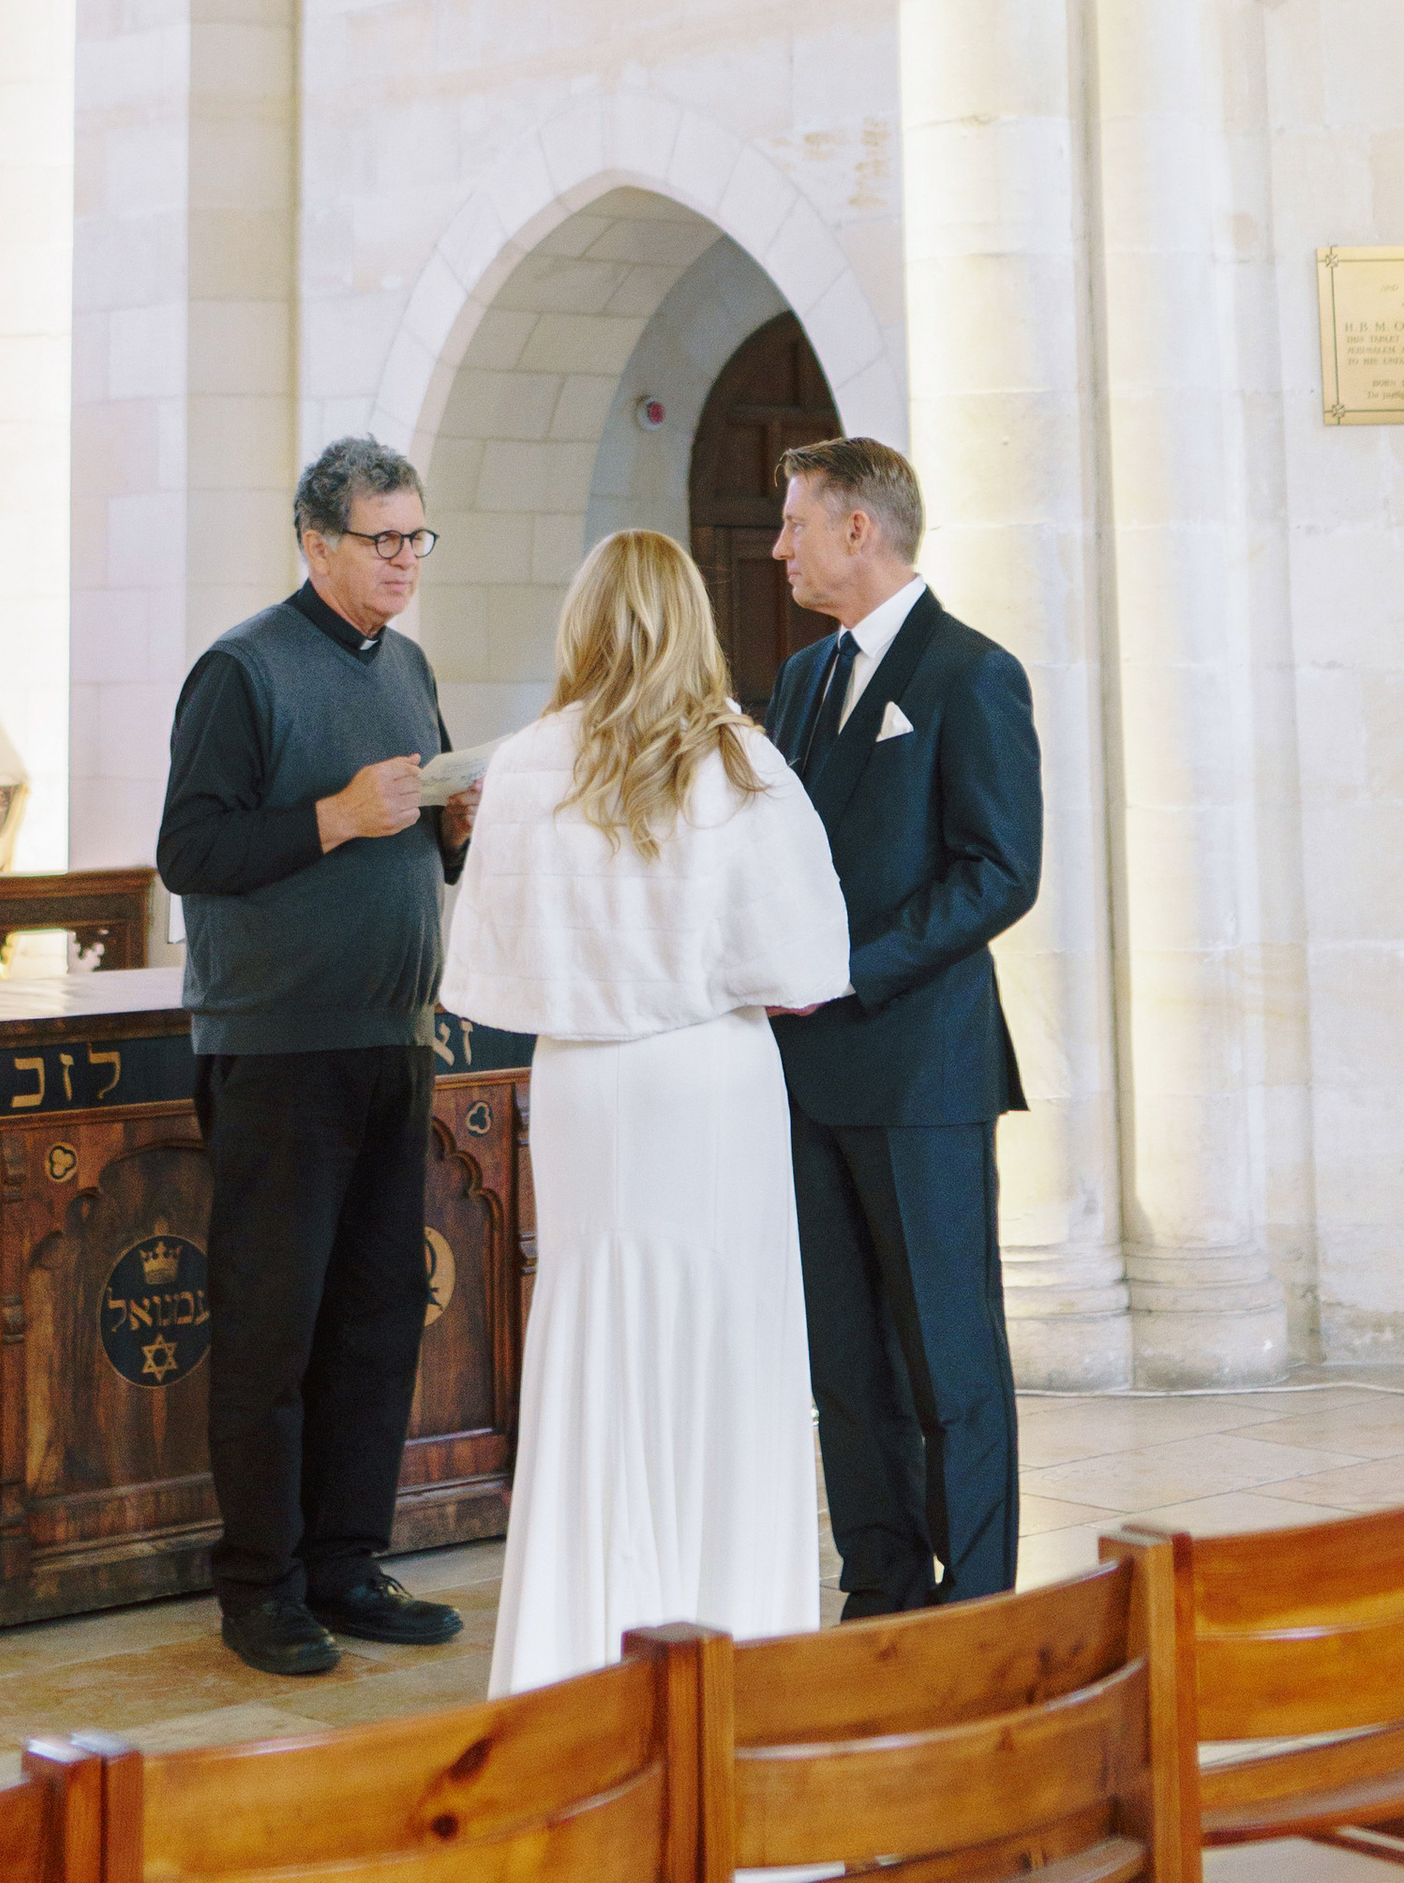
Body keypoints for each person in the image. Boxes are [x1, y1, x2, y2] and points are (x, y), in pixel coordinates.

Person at [442, 527, 849, 1695]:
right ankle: (738, 1658)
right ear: (691, 624)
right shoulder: (746, 767)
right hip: (710, 1079)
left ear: (583, 624)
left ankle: (578, 1665)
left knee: (596, 1342)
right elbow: (809, 960)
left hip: (588, 1083)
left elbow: (482, 966)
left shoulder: (526, 763)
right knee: (730, 1349)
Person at [155, 434, 477, 1678]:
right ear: (315, 541)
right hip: (279, 1048)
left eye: (415, 538)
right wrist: (338, 816)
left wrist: (453, 829)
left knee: (377, 1318)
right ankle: (261, 1587)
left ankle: (347, 1563)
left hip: (391, 1039)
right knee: (274, 1328)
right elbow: (191, 850)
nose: (404, 562)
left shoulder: (408, 666)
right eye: (381, 540)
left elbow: (421, 854)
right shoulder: (242, 671)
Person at [766, 437, 1041, 1613]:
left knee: (949, 1354)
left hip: (921, 1069)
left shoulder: (970, 673)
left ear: (857, 531)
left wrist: (846, 970)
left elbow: (999, 872)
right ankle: (878, 1583)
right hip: (805, 1074)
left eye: (794, 525)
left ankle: (975, 1602)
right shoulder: (796, 682)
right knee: (846, 1358)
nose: (778, 548)